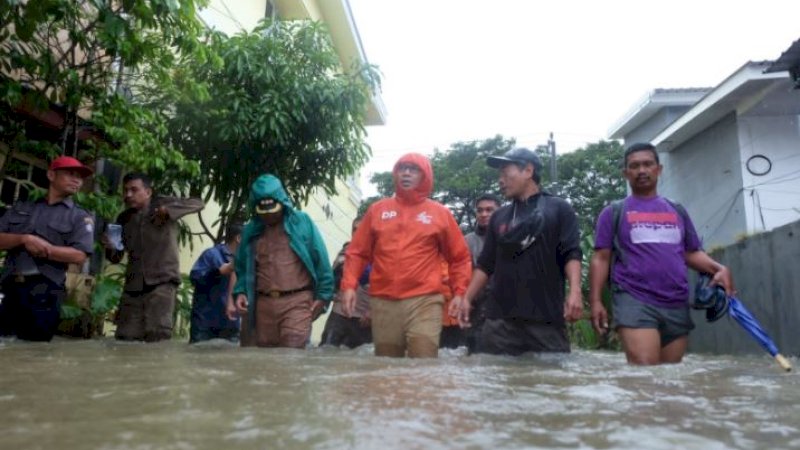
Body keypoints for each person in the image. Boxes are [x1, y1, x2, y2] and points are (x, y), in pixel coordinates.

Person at [588, 142, 735, 365]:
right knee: (646, 375)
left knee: (669, 380)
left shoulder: (676, 210)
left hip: (676, 302)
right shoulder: (613, 212)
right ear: (626, 173)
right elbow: (601, 259)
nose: (642, 171)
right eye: (634, 166)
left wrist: (719, 269)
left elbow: (690, 253)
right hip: (634, 300)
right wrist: (596, 301)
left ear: (659, 169)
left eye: (647, 164)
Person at [452, 147, 583, 355]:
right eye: (499, 175)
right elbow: (486, 264)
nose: (500, 180)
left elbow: (571, 253)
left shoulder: (559, 209)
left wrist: (575, 291)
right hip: (499, 323)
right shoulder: (500, 217)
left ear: (528, 171)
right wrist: (467, 298)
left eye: (506, 173)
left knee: (552, 383)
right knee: (495, 380)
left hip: (545, 321)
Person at [341, 153, 472, 358]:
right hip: (383, 300)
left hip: (425, 300)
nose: (407, 173)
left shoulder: (440, 213)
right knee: (386, 367)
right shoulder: (377, 210)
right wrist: (348, 286)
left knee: (423, 363)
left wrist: (459, 292)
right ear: (396, 174)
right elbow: (357, 252)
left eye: (414, 169)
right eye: (402, 168)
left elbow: (460, 257)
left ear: (425, 175)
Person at [232, 174, 333, 349]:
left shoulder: (302, 222)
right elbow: (241, 267)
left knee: (290, 356)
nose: (269, 216)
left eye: (273, 210)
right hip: (262, 304)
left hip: (297, 301)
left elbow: (321, 259)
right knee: (264, 360)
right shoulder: (251, 231)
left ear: (282, 202)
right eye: (264, 212)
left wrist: (324, 296)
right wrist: (240, 292)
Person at [0, 156, 94, 341]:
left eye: (80, 177)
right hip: (9, 286)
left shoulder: (79, 217)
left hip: (45, 291)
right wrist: (23, 239)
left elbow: (79, 256)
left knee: (34, 353)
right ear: (51, 175)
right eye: (70, 174)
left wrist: (48, 249)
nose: (77, 180)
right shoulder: (23, 207)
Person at [104, 173, 204, 342]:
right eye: (125, 190)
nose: (128, 195)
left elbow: (198, 203)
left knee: (158, 336)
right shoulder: (123, 219)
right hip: (133, 287)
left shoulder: (162, 204)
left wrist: (168, 211)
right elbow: (115, 257)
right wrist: (110, 246)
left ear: (148, 192)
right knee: (125, 338)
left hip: (162, 283)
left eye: (134, 190)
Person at [319, 218, 372, 349]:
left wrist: (373, 311)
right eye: (355, 229)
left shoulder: (381, 254)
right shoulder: (346, 252)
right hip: (340, 314)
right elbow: (332, 278)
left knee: (361, 360)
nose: (358, 232)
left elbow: (387, 286)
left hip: (364, 318)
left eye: (362, 229)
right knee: (326, 352)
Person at [188, 223, 243, 343]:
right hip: (205, 324)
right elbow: (195, 278)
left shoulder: (245, 260)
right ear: (239, 238)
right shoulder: (211, 255)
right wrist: (218, 272)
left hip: (231, 325)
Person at [462, 193, 501, 353]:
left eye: (489, 210)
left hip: (505, 308)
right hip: (476, 308)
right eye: (480, 210)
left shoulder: (511, 237)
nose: (484, 214)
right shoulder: (467, 241)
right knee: (475, 356)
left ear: (500, 212)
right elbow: (461, 274)